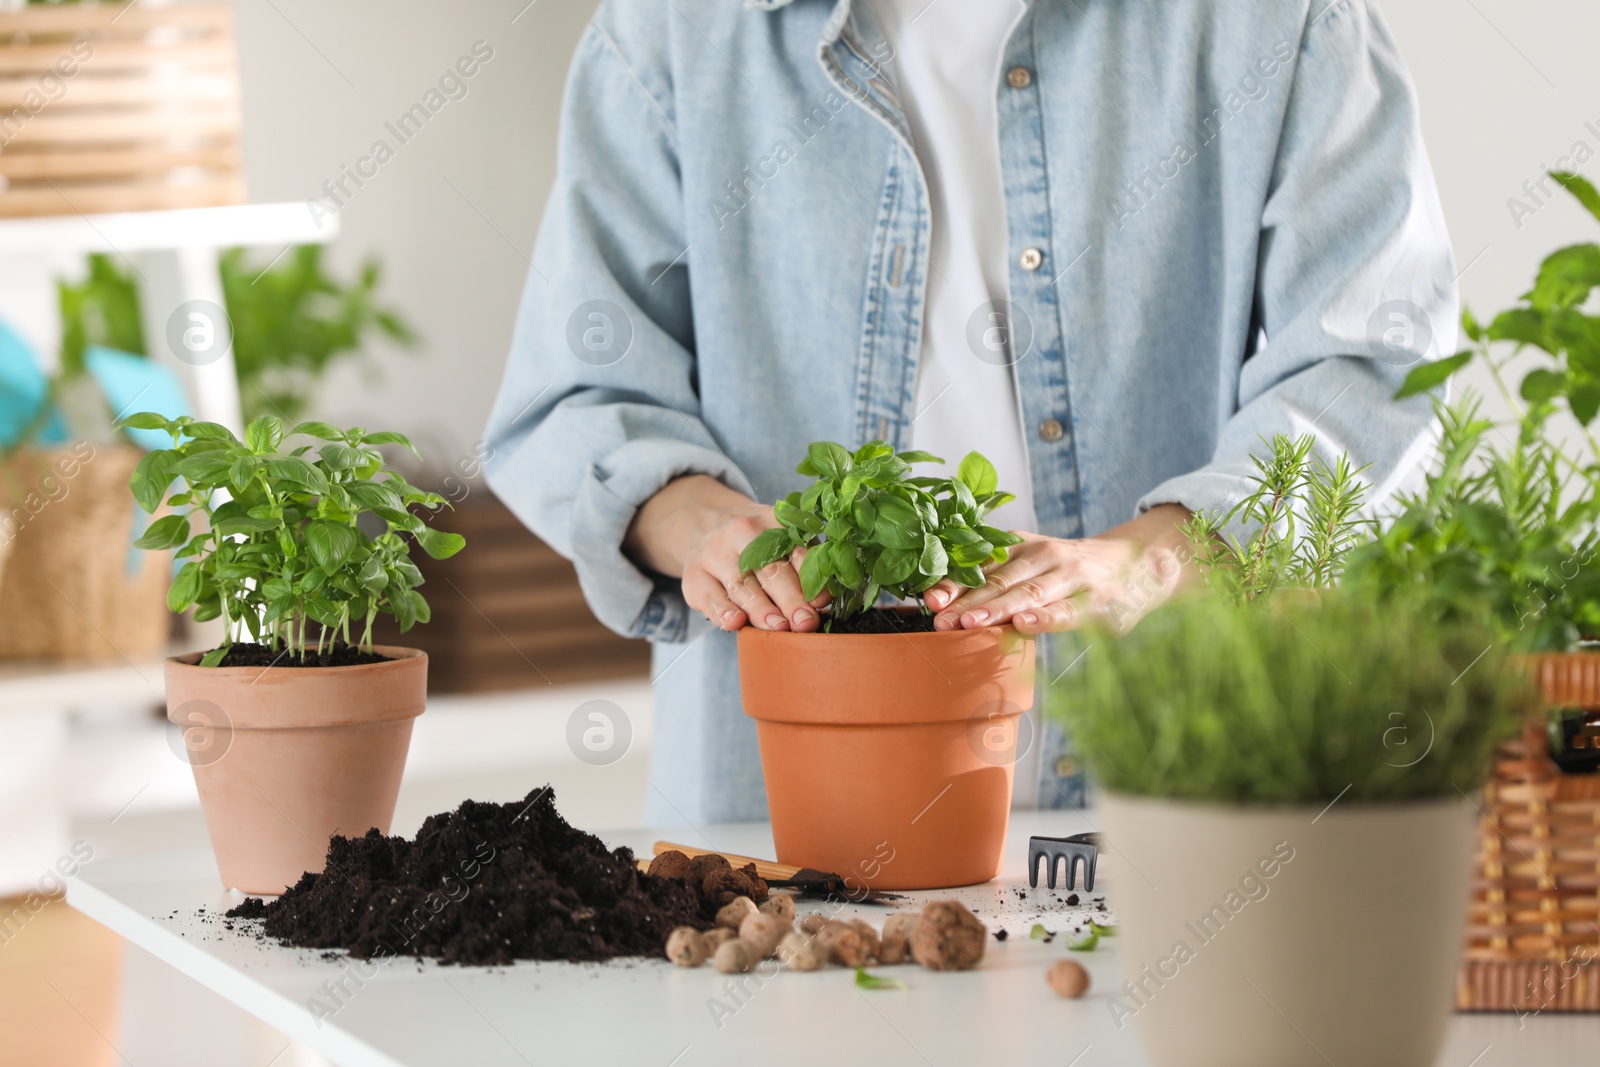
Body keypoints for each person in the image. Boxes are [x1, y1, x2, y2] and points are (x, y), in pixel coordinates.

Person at [484, 0, 1456, 825]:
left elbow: (1372, 362)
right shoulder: (677, 26)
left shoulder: (1276, 21)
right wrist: (714, 532)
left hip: (1181, 812)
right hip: (777, 838)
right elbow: (578, 388)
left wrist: (1149, 561)